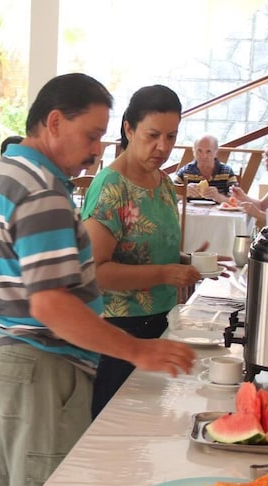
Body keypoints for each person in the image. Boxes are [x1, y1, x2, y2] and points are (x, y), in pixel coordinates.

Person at [0, 73, 196, 486]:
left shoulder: (2, 172)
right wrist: (139, 350)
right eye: (92, 134)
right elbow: (52, 305)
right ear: (54, 122)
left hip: (2, 353)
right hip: (39, 365)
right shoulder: (43, 191)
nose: (97, 149)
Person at [81, 84, 203, 418]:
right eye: (152, 135)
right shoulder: (111, 188)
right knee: (115, 434)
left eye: (171, 137)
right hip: (119, 331)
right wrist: (165, 274)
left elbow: (146, 252)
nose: (162, 147)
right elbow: (94, 271)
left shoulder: (162, 183)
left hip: (160, 323)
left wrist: (185, 264)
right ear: (129, 129)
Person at [175, 134, 238, 203]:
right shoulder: (185, 171)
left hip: (218, 213)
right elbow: (168, 196)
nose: (204, 156)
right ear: (194, 152)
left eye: (208, 151)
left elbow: (237, 201)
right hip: (191, 213)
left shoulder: (227, 172)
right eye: (199, 151)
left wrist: (218, 197)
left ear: (216, 153)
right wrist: (184, 193)